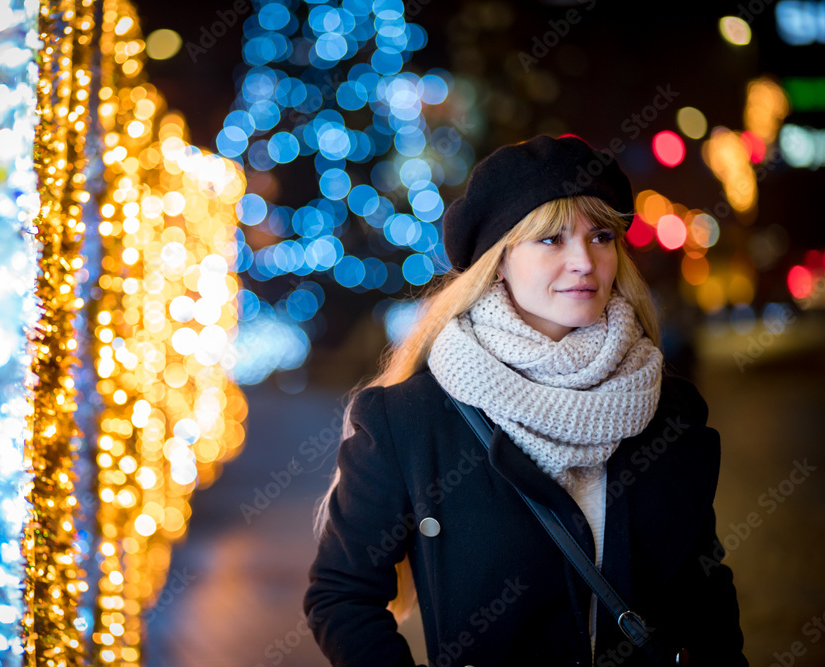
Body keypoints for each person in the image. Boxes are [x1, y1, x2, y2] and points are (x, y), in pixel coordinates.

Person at [303, 135, 749, 667]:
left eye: (601, 236)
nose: (584, 261)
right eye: (551, 239)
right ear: (498, 262)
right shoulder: (406, 422)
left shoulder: (668, 408)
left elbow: (706, 594)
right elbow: (342, 596)